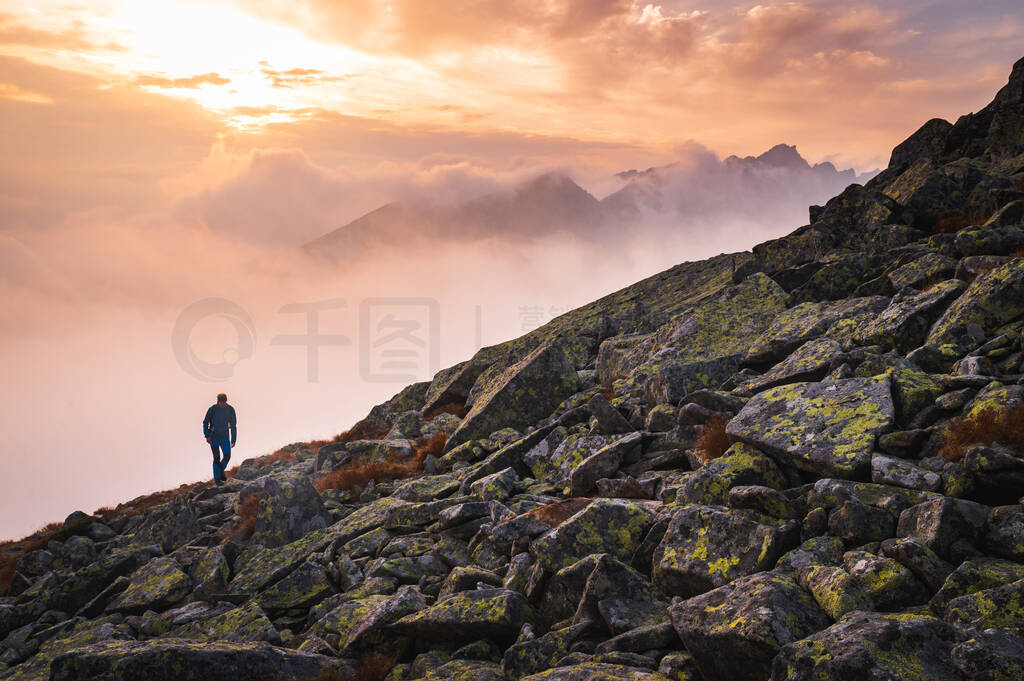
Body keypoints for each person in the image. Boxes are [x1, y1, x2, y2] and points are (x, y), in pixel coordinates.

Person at [203, 393, 237, 485]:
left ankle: (220, 471)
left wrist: (233, 439)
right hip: (213, 438)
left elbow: (233, 425)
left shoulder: (230, 410)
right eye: (220, 402)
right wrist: (207, 435)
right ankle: (217, 480)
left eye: (224, 402)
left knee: (227, 456)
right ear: (218, 401)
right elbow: (205, 422)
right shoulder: (212, 409)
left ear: (226, 401)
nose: (222, 404)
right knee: (216, 458)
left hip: (225, 438)